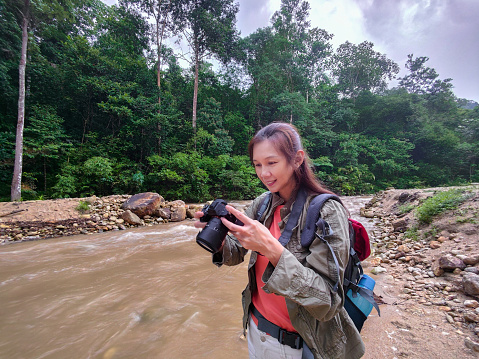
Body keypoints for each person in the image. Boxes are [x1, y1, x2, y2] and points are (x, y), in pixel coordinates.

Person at [194, 122, 365, 359]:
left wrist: (273, 250)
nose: (264, 173)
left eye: (272, 163)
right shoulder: (262, 204)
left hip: (296, 344)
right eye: (257, 165)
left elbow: (328, 301)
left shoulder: (325, 211)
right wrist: (219, 238)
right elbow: (235, 255)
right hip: (255, 328)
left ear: (297, 159)